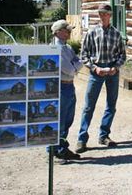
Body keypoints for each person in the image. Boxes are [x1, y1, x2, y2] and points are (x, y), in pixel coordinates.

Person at [76, 3, 126, 154]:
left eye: (105, 14)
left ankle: (104, 135)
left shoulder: (117, 34)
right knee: (88, 106)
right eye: (100, 14)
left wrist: (115, 67)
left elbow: (122, 55)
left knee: (111, 105)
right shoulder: (91, 32)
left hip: (112, 71)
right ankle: (82, 139)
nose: (102, 16)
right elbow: (83, 54)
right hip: (96, 71)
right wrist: (94, 68)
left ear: (110, 15)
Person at [49, 19, 83, 161]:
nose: (69, 32)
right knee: (60, 119)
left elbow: (78, 63)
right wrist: (75, 66)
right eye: (66, 30)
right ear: (58, 32)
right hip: (61, 85)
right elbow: (69, 69)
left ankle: (61, 147)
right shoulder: (54, 48)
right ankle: (55, 149)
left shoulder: (67, 48)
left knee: (67, 119)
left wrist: (75, 66)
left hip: (69, 85)